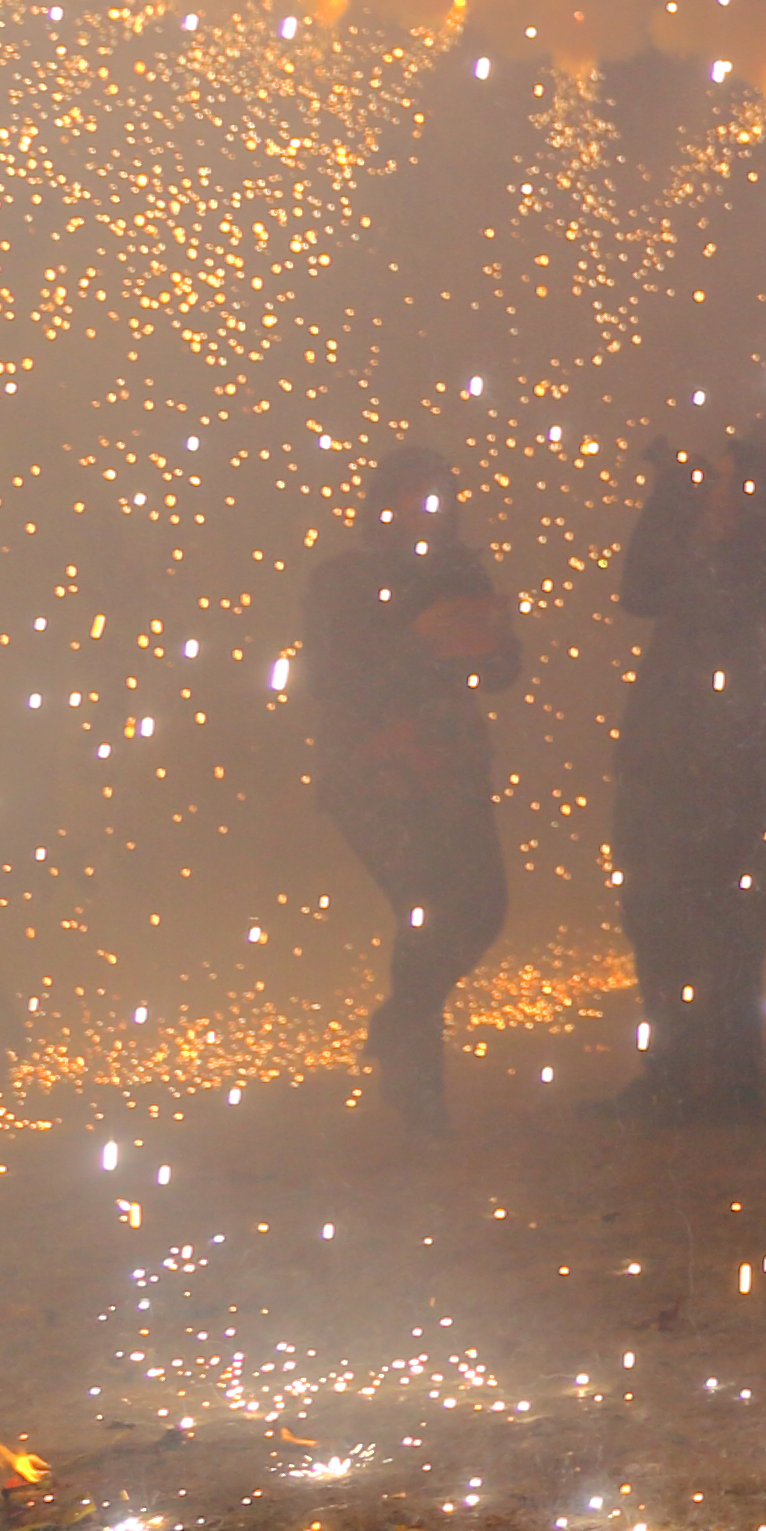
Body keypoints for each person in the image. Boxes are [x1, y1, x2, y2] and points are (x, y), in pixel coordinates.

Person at [301, 445, 525, 1135]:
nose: (427, 513)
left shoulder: (459, 571)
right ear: (382, 504)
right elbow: (336, 679)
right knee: (424, 909)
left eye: (440, 497)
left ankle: (402, 1025)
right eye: (411, 497)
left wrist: (490, 643)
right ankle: (420, 1087)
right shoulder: (342, 580)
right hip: (376, 771)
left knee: (483, 905)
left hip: (453, 764)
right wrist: (418, 642)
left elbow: (501, 669)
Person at [608, 416, 766, 1123]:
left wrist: (678, 502)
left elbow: (685, 593)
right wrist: (673, 500)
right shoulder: (730, 554)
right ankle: (677, 1070)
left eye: (725, 480)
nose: (713, 491)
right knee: (657, 919)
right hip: (666, 765)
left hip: (725, 773)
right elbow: (639, 589)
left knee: (722, 925)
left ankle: (723, 1078)